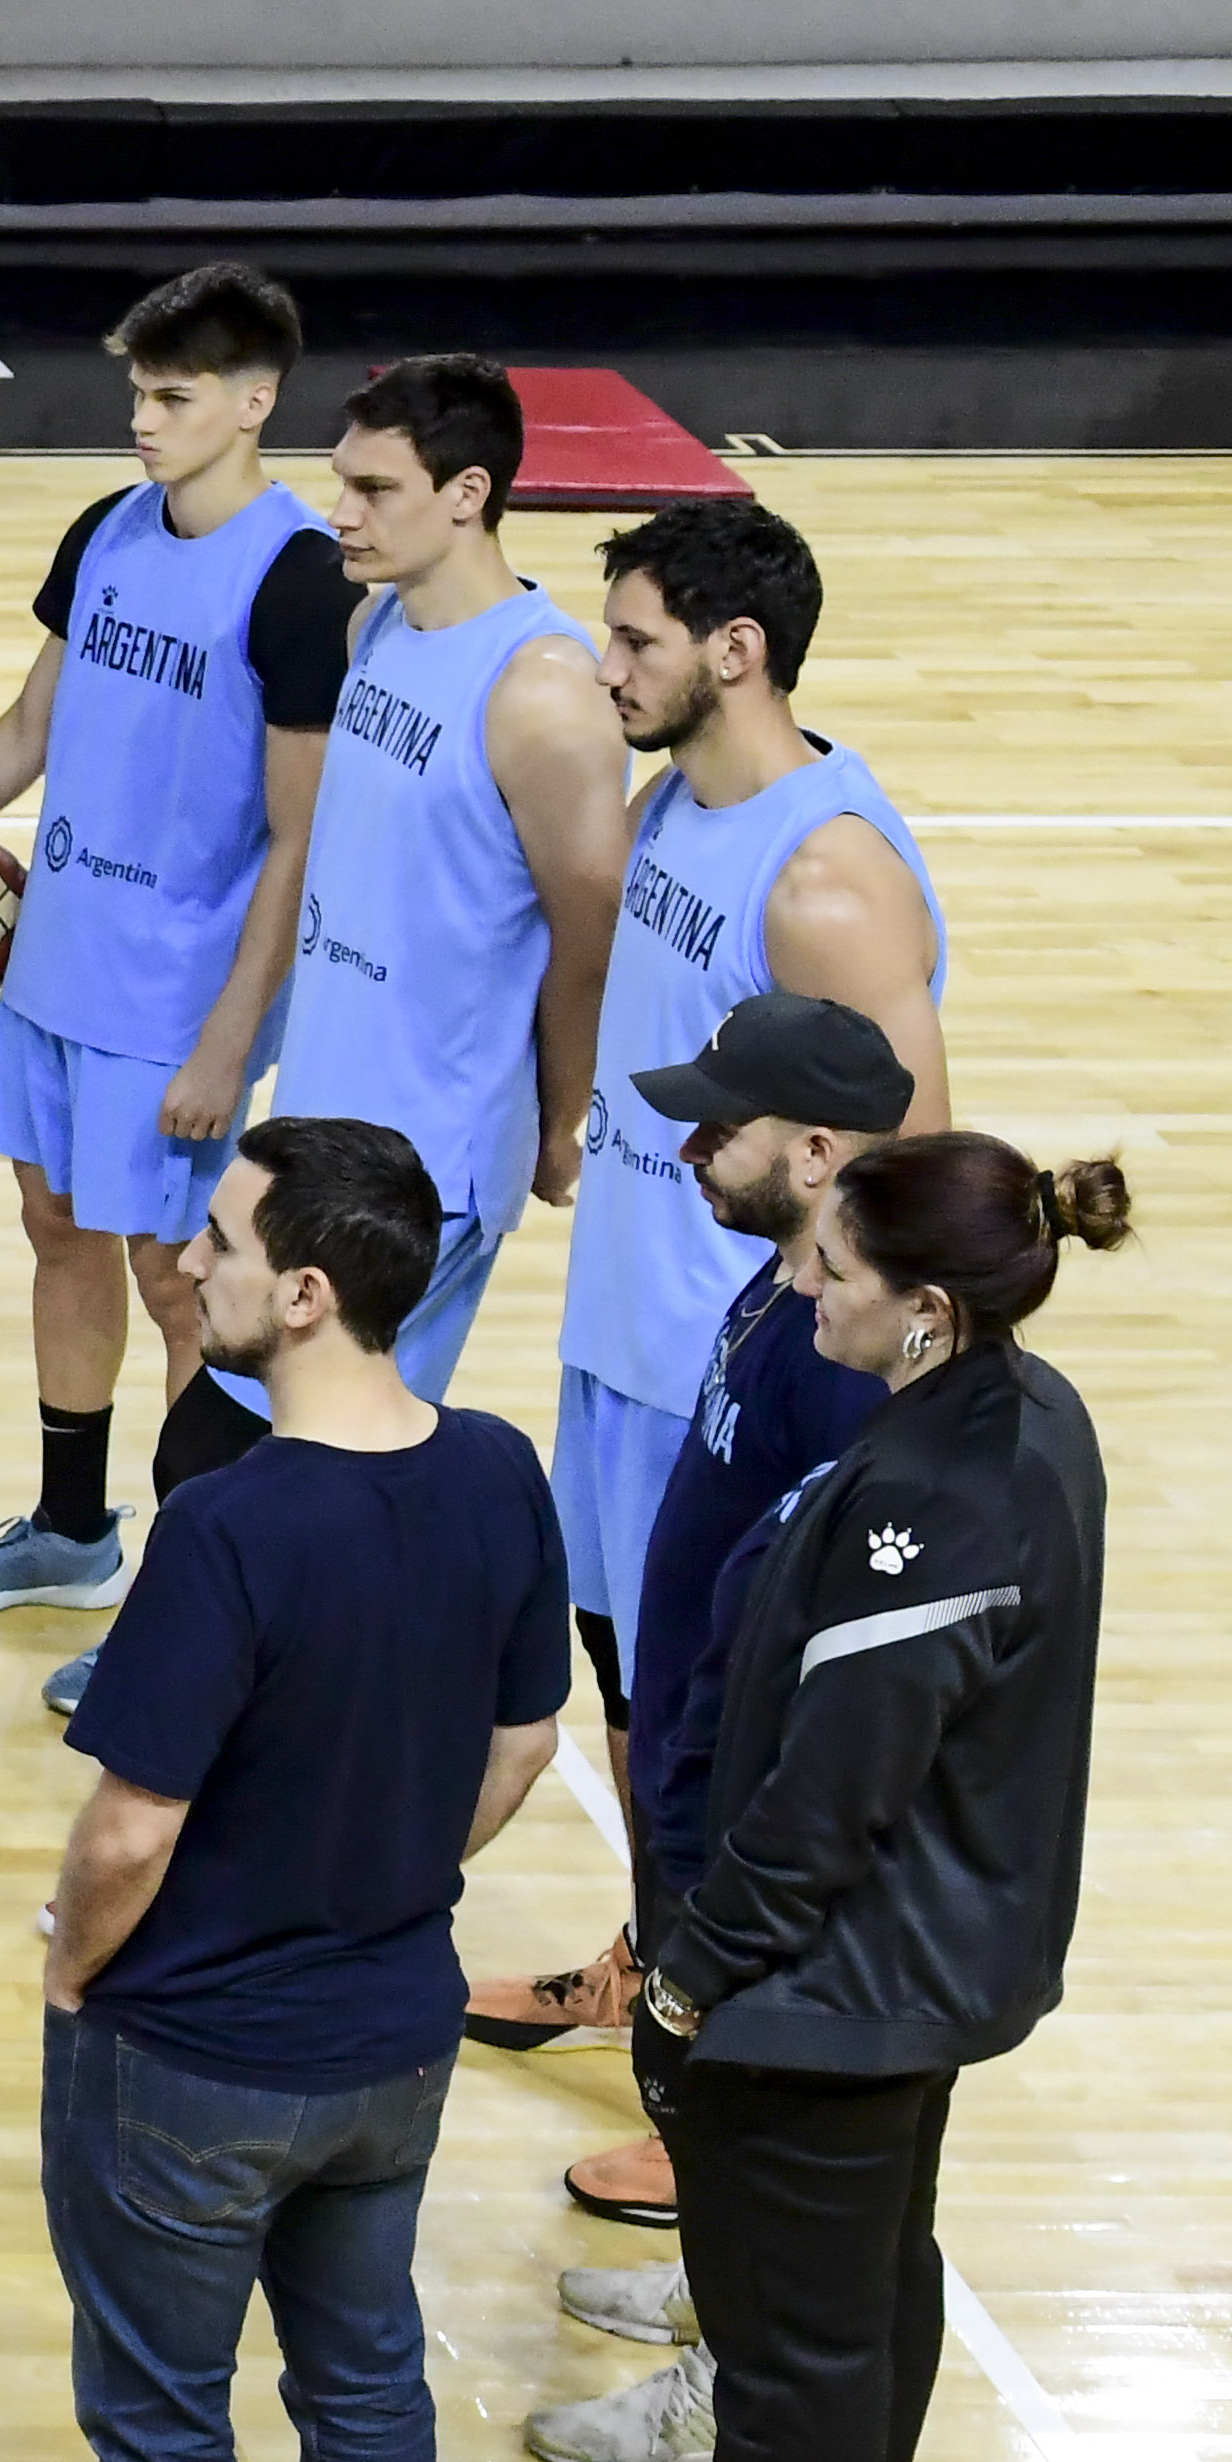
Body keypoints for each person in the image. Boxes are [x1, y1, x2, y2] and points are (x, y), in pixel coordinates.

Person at [0, 1118, 567, 2462]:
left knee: (166, 2417)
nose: (182, 1261)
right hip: (394, 2032)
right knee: (363, 2378)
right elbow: (525, 1741)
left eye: (214, 1238)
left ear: (307, 1289)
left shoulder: (227, 1523)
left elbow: (128, 1822)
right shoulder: (499, 1471)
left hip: (193, 2053)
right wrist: (383, 1875)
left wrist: (66, 1964)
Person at [526, 1134, 1118, 2462]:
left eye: (832, 1269)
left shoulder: (925, 1503)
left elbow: (824, 1793)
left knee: (793, 2337)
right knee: (867, 2282)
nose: (799, 1282)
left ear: (922, 1310)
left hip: (841, 1980)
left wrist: (691, 1970)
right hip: (920, 1958)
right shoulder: (1020, 1413)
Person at [479, 499, 952, 2058]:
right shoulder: (679, 800)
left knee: (715, 1733)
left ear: (734, 654)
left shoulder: (827, 882)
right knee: (632, 1702)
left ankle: (720, 2061)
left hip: (735, 1374)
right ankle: (650, 1962)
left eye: (635, 641)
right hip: (624, 1336)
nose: (602, 666)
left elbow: (913, 1154)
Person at [0, 264, 355, 1714]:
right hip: (61, 954)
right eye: (136, 395)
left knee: (184, 1290)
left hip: (176, 997)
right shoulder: (104, 530)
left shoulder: (298, 576)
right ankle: (74, 1529)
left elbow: (299, 835)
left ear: (254, 402)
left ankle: (184, 1603)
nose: (142, 423)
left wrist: (229, 1038)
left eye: (172, 398)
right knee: (54, 1227)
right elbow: (35, 718)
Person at [514, 993, 908, 2440]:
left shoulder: (854, 1357)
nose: (683, 1145)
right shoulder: (782, 1281)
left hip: (747, 1803)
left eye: (716, 1125)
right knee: (709, 2109)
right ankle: (708, 2288)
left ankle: (723, 2390)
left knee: (741, 2104)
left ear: (813, 1149)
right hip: (695, 1774)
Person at [270, 354, 628, 1406]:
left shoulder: (543, 693)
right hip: (322, 1120)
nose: (341, 513)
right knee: (259, 1451)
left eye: (376, 490)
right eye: (341, 481)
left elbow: (591, 939)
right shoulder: (374, 622)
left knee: (341, 1471)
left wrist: (560, 1126)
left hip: (426, 1163)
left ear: (469, 494)